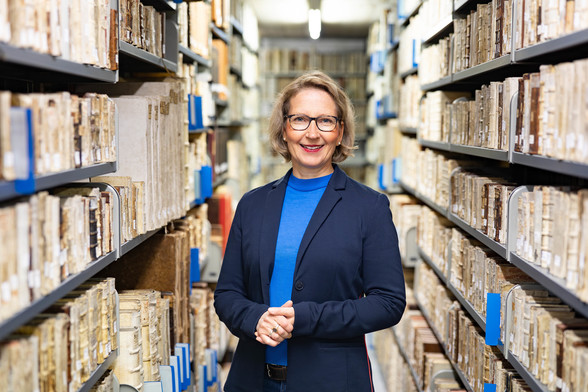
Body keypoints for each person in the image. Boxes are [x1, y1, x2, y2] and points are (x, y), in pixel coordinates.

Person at [214, 70, 406, 392]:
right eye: (300, 119)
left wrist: (305, 318)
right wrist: (254, 318)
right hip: (253, 380)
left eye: (326, 121)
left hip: (331, 381)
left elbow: (387, 302)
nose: (312, 133)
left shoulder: (368, 208)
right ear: (284, 129)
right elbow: (227, 294)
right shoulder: (253, 204)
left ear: (340, 131)